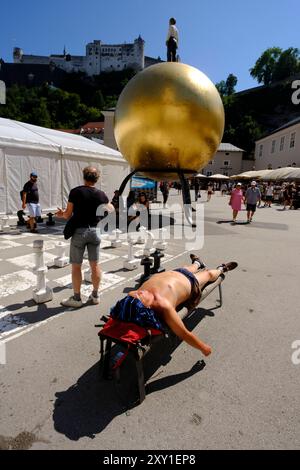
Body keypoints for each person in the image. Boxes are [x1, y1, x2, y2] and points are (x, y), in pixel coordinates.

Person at [109, 254, 238, 356]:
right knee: (209, 274)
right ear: (148, 307)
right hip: (190, 283)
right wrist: (203, 348)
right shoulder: (162, 304)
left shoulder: (133, 295)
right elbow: (184, 333)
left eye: (137, 296)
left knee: (188, 268)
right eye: (140, 297)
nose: (139, 294)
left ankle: (197, 263)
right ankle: (221, 269)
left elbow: (120, 311)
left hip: (175, 273)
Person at [56, 166, 114, 308]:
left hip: (79, 232)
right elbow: (110, 209)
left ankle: (76, 298)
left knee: (76, 266)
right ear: (97, 179)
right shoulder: (101, 194)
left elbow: (67, 215)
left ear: (84, 176)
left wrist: (61, 214)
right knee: (95, 265)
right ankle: (95, 295)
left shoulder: (76, 192)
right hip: (95, 231)